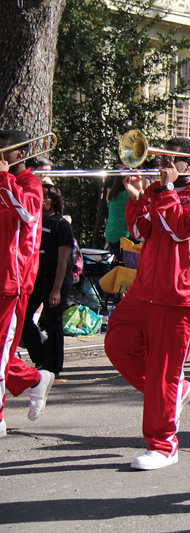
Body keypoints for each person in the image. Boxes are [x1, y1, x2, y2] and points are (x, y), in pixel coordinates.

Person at [104, 137, 190, 470]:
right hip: (145, 288)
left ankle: (163, 444)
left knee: (163, 372)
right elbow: (141, 233)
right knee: (117, 344)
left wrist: (165, 191)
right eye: (164, 157)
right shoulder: (159, 190)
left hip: (180, 294)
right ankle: (174, 393)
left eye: (173, 159)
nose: (164, 163)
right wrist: (137, 198)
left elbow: (182, 229)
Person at [0, 130, 55, 437]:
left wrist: (5, 178)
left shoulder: (30, 185)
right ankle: (34, 379)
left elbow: (26, 212)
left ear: (19, 154)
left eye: (3, 151)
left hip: (12, 279)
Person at [20, 184, 73, 377]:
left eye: (46, 197)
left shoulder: (61, 224)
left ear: (54, 201)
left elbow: (63, 260)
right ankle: (41, 357)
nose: (42, 201)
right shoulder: (32, 221)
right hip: (35, 277)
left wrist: (56, 290)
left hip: (56, 278)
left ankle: (54, 367)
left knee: (53, 323)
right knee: (23, 318)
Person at [106, 164, 151, 262]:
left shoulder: (112, 194)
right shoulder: (128, 196)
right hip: (122, 238)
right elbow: (146, 203)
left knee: (120, 261)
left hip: (111, 235)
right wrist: (146, 180)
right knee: (129, 264)